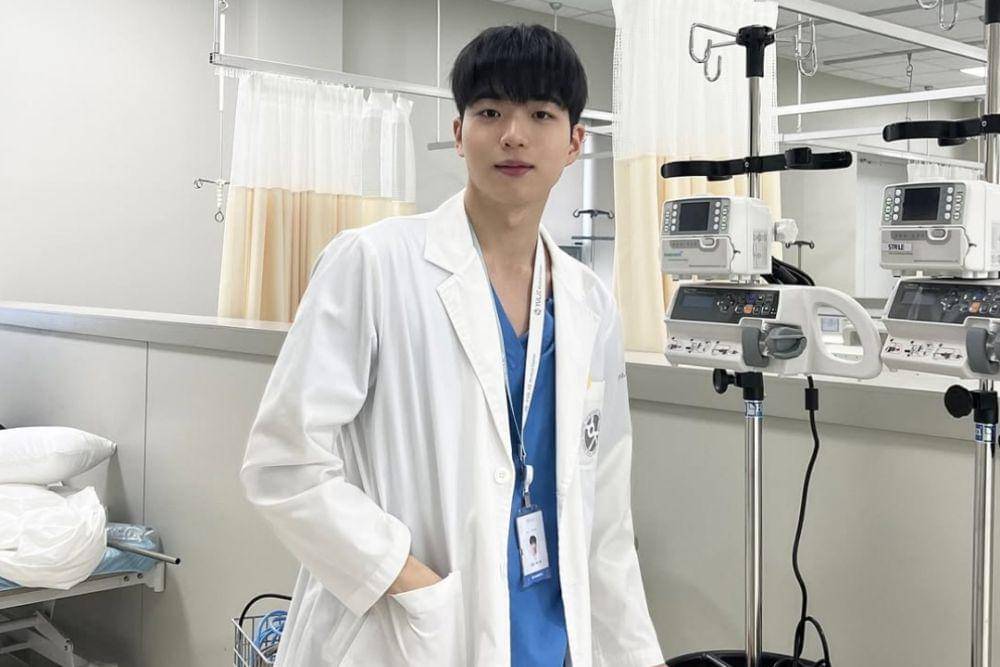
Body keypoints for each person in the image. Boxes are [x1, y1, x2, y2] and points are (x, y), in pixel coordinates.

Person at [240, 23, 664, 667]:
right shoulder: (373, 263)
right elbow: (283, 462)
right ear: (460, 132)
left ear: (575, 141)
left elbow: (604, 511)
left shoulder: (589, 302)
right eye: (490, 112)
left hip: (555, 638)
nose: (513, 134)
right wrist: (407, 580)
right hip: (413, 633)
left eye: (540, 114)